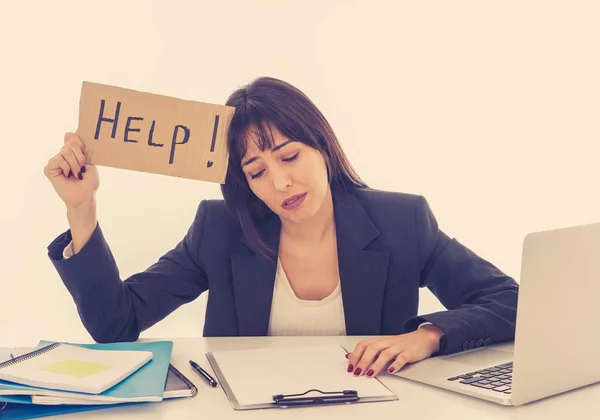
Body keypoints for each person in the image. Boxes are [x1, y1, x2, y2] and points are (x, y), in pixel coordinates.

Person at [44, 77, 519, 378]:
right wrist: (81, 208)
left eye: (290, 156)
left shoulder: (402, 222)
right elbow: (115, 324)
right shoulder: (220, 229)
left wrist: (427, 336)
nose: (280, 181)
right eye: (255, 172)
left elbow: (511, 300)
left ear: (323, 148)